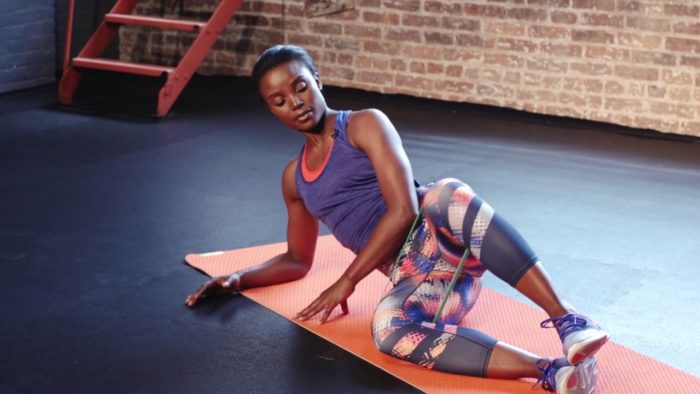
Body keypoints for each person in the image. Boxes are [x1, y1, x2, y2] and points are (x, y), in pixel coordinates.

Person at [185, 45, 609, 393]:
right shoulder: (294, 179)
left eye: (300, 87)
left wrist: (347, 281)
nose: (294, 103)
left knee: (446, 193)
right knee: (386, 329)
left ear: (317, 81)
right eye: (279, 100)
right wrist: (237, 279)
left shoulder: (364, 125)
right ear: (271, 110)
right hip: (430, 286)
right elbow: (298, 259)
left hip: (447, 239)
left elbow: (405, 208)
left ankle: (569, 319)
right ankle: (552, 372)